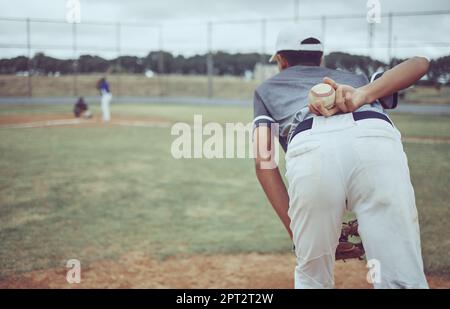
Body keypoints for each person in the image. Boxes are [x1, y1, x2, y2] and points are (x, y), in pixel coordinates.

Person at [253, 24, 430, 289]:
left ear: (281, 60)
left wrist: (299, 233)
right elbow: (420, 63)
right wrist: (364, 94)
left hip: (309, 143)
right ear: (321, 57)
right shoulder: (353, 79)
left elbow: (263, 161)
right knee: (402, 279)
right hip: (373, 135)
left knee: (313, 277)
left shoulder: (266, 89)